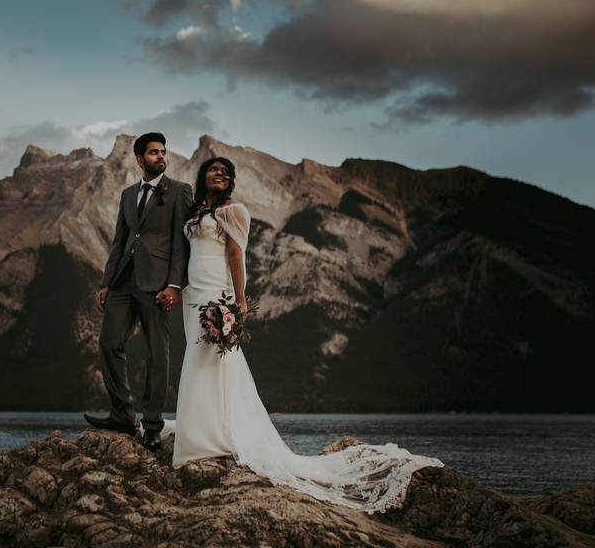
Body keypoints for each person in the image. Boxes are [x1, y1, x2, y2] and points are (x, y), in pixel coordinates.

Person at [169, 156, 445, 514]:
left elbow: (237, 256)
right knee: (196, 354)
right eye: (213, 169)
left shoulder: (234, 210)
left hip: (216, 291)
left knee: (215, 359)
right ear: (203, 175)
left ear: (232, 181)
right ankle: (199, 431)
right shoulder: (195, 211)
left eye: (226, 171)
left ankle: (214, 436)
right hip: (194, 292)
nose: (218, 174)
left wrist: (239, 302)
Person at [84, 132, 192, 450]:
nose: (160, 156)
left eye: (163, 151)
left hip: (157, 285)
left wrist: (174, 285)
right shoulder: (128, 194)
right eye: (154, 152)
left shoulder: (179, 192)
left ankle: (153, 425)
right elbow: (120, 240)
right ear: (139, 159)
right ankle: (122, 415)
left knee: (157, 355)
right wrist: (106, 282)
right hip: (122, 282)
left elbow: (181, 244)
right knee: (109, 344)